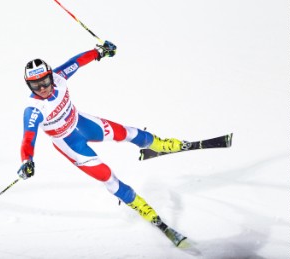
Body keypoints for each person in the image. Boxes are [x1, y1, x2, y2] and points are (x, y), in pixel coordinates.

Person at [18, 41, 187, 237]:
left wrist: (99, 52)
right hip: (70, 143)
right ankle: (140, 206)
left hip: (81, 123)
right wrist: (26, 161)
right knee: (107, 176)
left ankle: (159, 144)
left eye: (45, 82)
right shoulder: (33, 109)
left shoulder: (60, 76)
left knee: (126, 132)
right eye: (35, 85)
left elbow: (77, 62)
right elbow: (28, 139)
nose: (42, 88)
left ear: (51, 76)